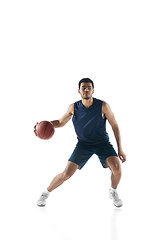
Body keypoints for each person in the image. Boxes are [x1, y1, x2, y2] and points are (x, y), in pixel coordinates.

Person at [34, 78, 126, 208]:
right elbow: (60, 122)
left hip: (102, 143)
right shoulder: (73, 107)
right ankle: (45, 193)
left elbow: (115, 126)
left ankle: (113, 191)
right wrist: (43, 125)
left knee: (117, 169)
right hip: (83, 145)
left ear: (93, 90)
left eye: (89, 88)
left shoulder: (103, 106)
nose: (86, 90)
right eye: (84, 88)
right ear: (79, 91)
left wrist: (120, 149)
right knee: (66, 174)